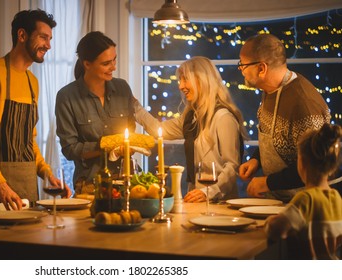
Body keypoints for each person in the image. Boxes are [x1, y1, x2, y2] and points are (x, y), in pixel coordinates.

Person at [0, 9, 71, 211]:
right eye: (43, 37)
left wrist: (48, 175)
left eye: (50, 39)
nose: (48, 45)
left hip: (27, 185)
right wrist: (0, 184)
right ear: (22, 35)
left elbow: (28, 141)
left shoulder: (32, 82)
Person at [134, 56, 248, 202]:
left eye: (185, 79)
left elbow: (232, 166)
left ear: (202, 80)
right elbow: (158, 129)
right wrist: (133, 105)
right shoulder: (191, 118)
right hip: (195, 199)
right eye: (180, 80)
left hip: (220, 203)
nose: (181, 86)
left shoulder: (223, 117)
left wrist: (208, 192)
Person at [238, 34, 331, 201]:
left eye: (243, 65)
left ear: (261, 69)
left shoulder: (304, 104)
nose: (240, 70)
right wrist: (256, 160)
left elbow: (313, 165)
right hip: (278, 199)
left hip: (305, 205)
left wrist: (267, 183)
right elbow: (278, 138)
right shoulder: (269, 90)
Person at [55, 31, 136, 195]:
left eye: (115, 60)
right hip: (89, 186)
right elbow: (70, 149)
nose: (113, 67)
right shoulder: (67, 97)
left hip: (126, 183)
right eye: (106, 63)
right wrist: (106, 145)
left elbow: (130, 131)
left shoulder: (123, 88)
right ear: (87, 64)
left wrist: (129, 146)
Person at [265, 123, 342, 259]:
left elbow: (275, 230)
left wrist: (270, 220)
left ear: (302, 163)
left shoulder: (306, 199)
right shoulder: (336, 198)